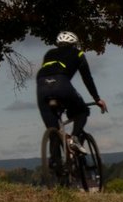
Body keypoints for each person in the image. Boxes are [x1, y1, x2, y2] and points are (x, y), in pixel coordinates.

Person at [36, 31, 107, 159]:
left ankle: (55, 164)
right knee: (82, 111)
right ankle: (74, 138)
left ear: (58, 43)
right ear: (74, 44)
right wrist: (96, 98)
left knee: (53, 130)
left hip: (41, 86)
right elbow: (87, 78)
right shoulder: (78, 53)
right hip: (61, 84)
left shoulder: (49, 53)